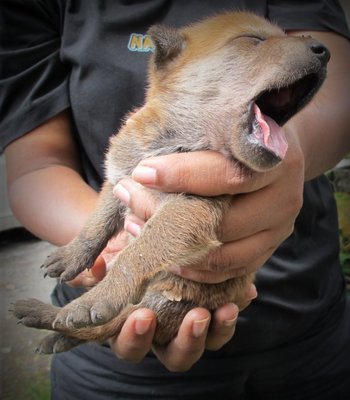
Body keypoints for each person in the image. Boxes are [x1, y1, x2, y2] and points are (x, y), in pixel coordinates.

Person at [1, 0, 350, 399]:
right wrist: (97, 255)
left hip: (306, 329)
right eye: (251, 41)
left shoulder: (225, 149)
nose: (293, 47)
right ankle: (92, 323)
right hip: (123, 377)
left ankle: (94, 320)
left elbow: (341, 90)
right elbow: (40, 167)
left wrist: (297, 145)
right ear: (170, 57)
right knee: (142, 310)